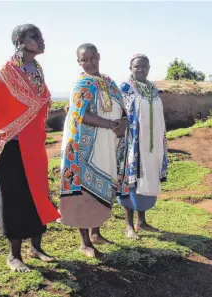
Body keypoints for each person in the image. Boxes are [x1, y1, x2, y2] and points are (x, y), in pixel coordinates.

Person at [0, 24, 60, 272]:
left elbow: (43, 101)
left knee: (37, 194)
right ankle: (13, 255)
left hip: (35, 146)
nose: (42, 41)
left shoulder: (37, 70)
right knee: (14, 199)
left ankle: (37, 247)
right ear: (20, 41)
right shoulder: (4, 72)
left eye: (41, 36)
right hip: (11, 148)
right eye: (35, 37)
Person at [58, 43, 128, 259]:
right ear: (78, 62)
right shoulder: (81, 84)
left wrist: (124, 121)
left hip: (107, 144)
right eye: (83, 60)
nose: (89, 63)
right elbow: (81, 115)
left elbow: (123, 107)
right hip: (85, 147)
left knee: (104, 187)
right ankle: (85, 242)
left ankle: (96, 233)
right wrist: (111, 124)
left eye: (92, 58)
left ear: (99, 56)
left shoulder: (109, 82)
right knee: (85, 191)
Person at [118, 54, 168, 240]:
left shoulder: (153, 89)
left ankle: (142, 221)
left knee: (147, 179)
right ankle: (129, 225)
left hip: (151, 146)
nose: (141, 69)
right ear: (130, 68)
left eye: (145, 66)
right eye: (137, 66)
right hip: (132, 144)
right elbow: (120, 114)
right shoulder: (125, 89)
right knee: (132, 182)